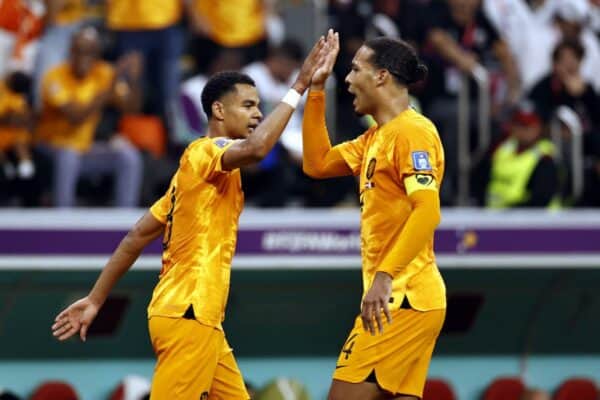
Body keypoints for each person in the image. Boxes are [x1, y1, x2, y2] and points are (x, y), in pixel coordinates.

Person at [51, 36, 326, 399]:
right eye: (248, 106)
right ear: (218, 111)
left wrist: (97, 298)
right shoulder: (205, 152)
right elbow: (258, 148)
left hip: (203, 320)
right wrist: (299, 87)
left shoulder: (188, 179)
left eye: (259, 107)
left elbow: (135, 237)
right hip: (188, 314)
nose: (258, 114)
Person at [302, 31, 446, 400]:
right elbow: (317, 164)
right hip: (406, 300)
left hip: (401, 298)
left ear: (381, 76)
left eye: (354, 70)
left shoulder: (413, 132)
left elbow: (427, 212)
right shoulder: (375, 138)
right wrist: (316, 89)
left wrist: (384, 277)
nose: (347, 80)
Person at [36, 26, 143, 207]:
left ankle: (125, 224)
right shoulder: (55, 77)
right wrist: (108, 89)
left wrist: (132, 79)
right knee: (68, 156)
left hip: (86, 150)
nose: (83, 57)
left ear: (97, 55)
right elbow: (75, 116)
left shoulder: (103, 73)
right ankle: (62, 221)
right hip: (52, 147)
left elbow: (131, 108)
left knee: (128, 156)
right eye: (79, 51)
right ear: (71, 52)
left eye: (90, 52)